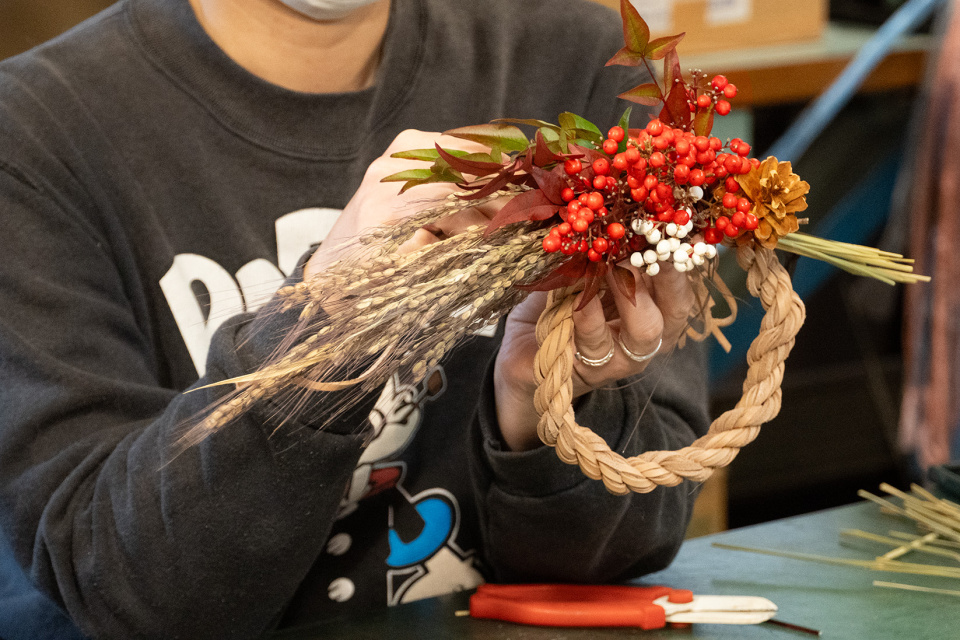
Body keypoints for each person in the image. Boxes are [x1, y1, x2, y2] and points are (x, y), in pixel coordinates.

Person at [0, 0, 710, 638]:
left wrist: (545, 409)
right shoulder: (34, 132)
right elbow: (125, 596)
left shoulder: (580, 61)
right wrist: (329, 327)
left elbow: (629, 546)